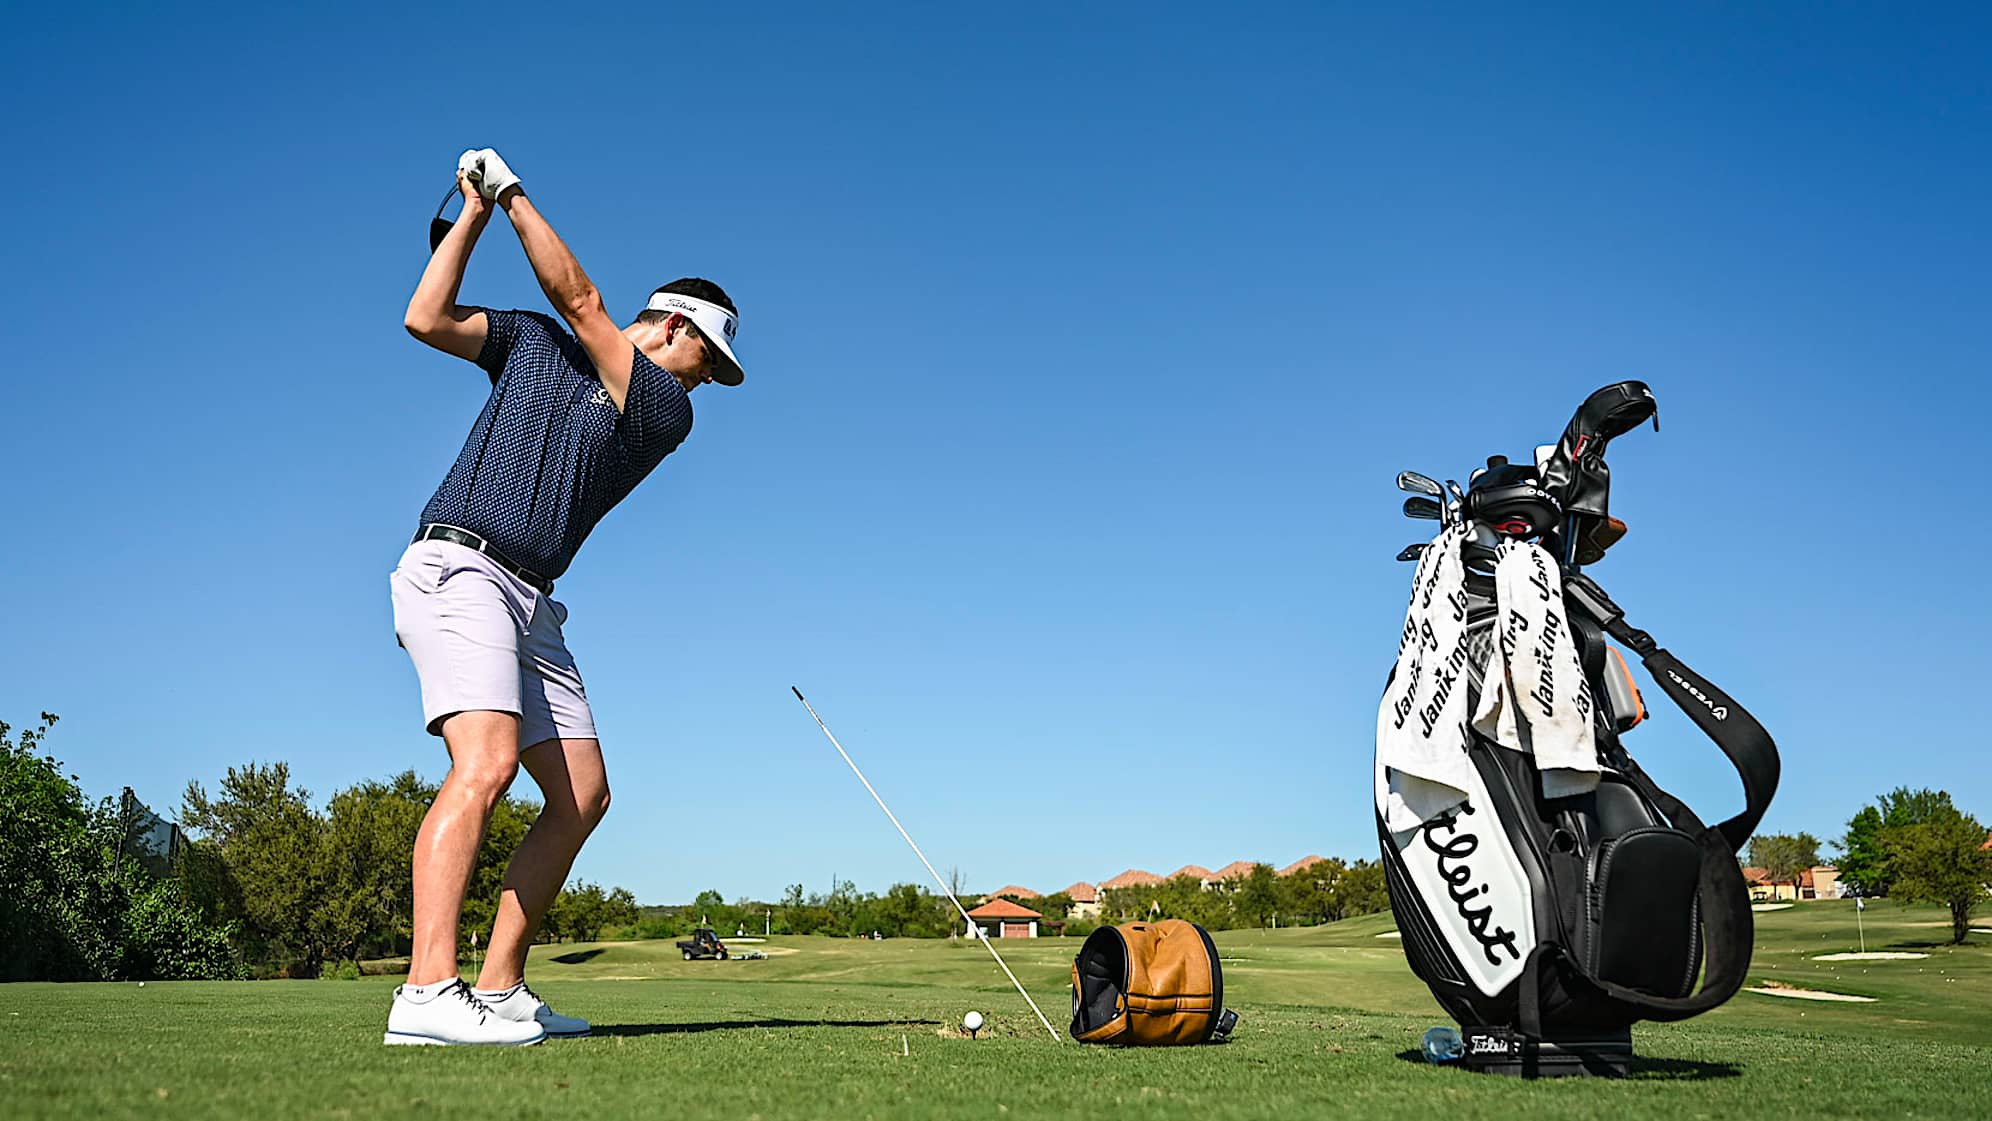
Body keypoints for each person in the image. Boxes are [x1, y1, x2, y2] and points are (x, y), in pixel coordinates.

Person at [382, 148, 746, 1046]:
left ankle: (500, 987)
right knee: (487, 765)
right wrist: (474, 209)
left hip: (530, 599)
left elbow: (584, 305)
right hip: (461, 566)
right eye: (709, 357)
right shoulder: (533, 347)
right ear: (673, 327)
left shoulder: (661, 410)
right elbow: (425, 316)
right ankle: (426, 992)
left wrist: (512, 194)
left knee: (582, 793)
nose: (708, 378)